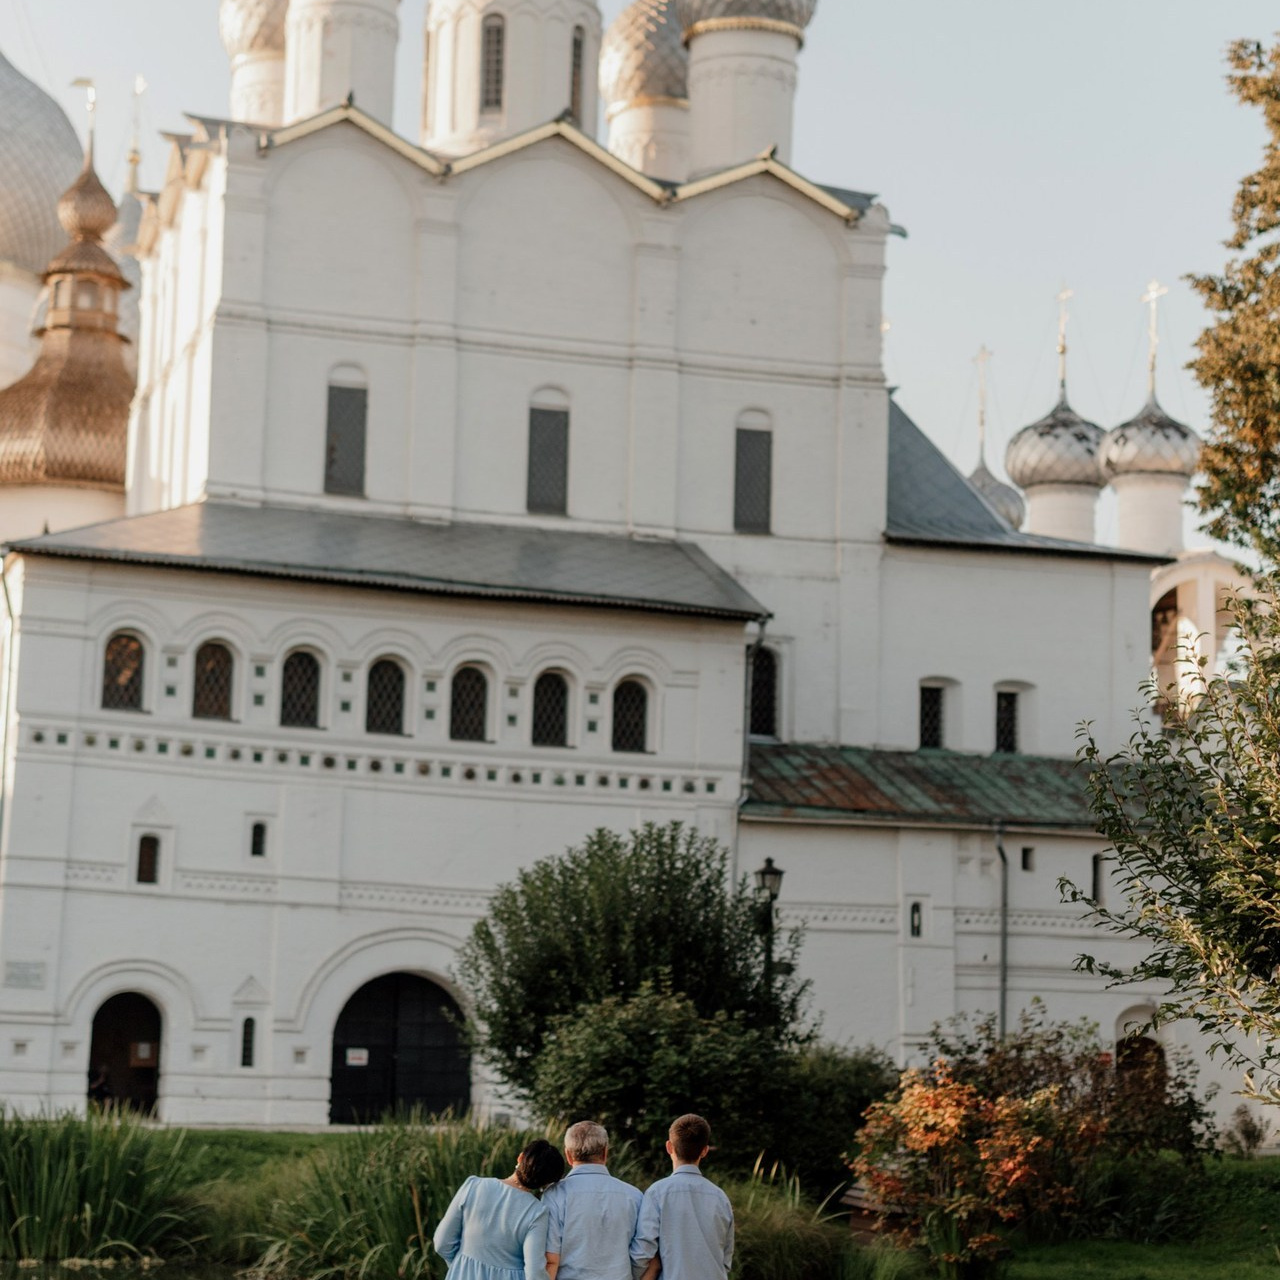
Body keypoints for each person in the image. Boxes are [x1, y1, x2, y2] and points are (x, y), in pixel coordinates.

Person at [433, 1139, 566, 1280]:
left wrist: (463, 1266)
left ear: (520, 1157)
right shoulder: (537, 1212)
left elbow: (442, 1243)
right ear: (546, 1183)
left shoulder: (473, 1185)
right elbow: (534, 1274)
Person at [631, 1114, 733, 1280]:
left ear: (669, 1147)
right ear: (705, 1151)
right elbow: (726, 1260)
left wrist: (634, 1275)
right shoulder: (721, 1198)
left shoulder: (657, 1193)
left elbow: (643, 1251)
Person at [542, 1120, 642, 1280]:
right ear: (605, 1153)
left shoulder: (554, 1195)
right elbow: (642, 1253)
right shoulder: (634, 1196)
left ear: (568, 1155)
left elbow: (550, 1257)